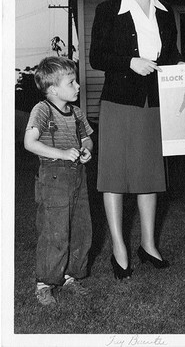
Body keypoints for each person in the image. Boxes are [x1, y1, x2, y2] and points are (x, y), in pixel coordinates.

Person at [89, 0, 183, 280]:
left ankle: (148, 244)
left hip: (152, 105)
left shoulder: (165, 13)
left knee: (149, 176)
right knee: (113, 175)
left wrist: (182, 65)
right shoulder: (108, 9)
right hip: (118, 104)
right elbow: (96, 58)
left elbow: (169, 56)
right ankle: (119, 247)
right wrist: (130, 62)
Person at [24, 57, 94, 306]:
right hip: (53, 178)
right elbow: (29, 142)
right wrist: (63, 153)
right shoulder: (42, 110)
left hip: (77, 177)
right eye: (72, 82)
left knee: (80, 228)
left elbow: (87, 139)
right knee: (55, 231)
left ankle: (70, 276)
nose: (77, 86)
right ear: (53, 89)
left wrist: (86, 149)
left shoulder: (76, 113)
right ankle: (44, 283)